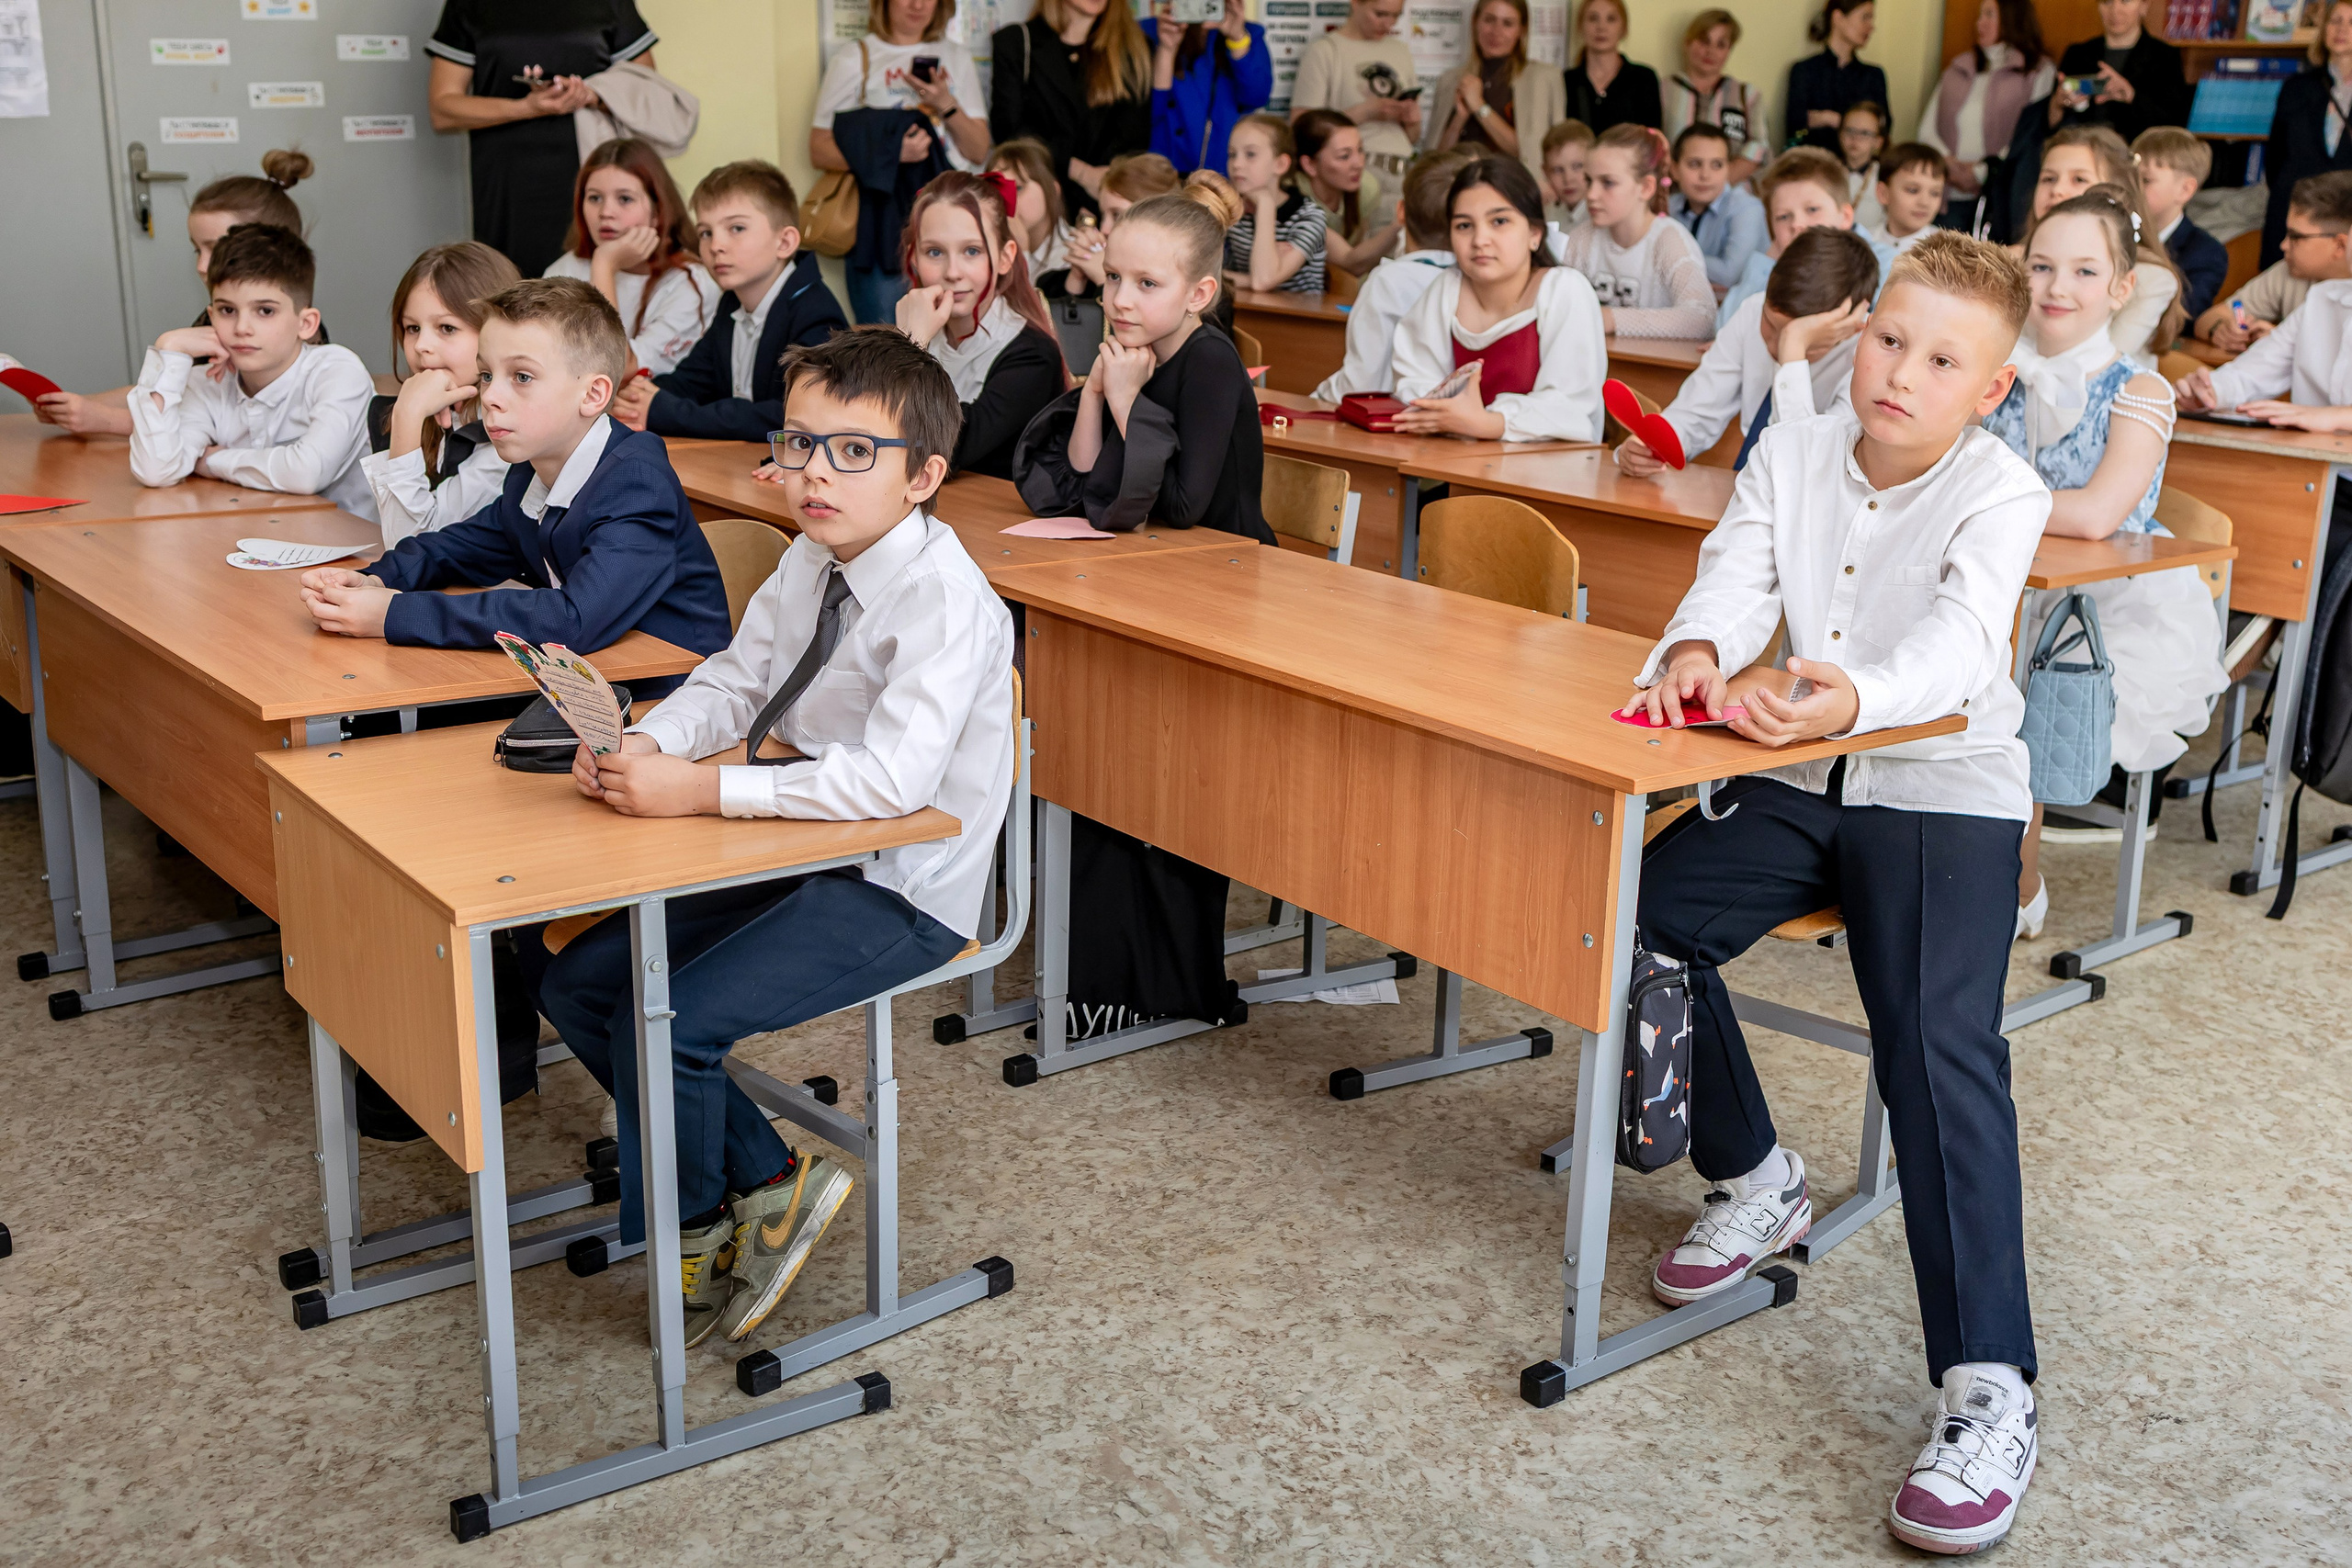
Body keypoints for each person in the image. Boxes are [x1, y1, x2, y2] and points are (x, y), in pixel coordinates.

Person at [1623, 230, 2050, 1559]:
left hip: (1942, 779)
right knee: (1637, 914)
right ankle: (1758, 1171)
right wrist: (1698, 643)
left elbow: (1960, 650)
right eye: (1889, 341)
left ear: (1988, 390)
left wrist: (1844, 694)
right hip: (1809, 764)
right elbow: (1736, 571)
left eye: (1941, 360)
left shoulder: (2006, 489)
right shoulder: (1800, 441)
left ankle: (1991, 1386)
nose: (1900, 374)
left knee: (1935, 1043)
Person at [547, 326, 1014, 1348]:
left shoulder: (943, 602)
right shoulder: (814, 554)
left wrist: (699, 794)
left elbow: (894, 785)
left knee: (672, 1022)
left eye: (853, 451)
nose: (813, 473)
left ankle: (696, 1225)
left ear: (925, 476)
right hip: (794, 842)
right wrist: (647, 740)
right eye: (799, 443)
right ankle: (759, 1183)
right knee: (580, 983)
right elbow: (736, 678)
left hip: (901, 885)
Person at [1012, 175, 1276, 1040]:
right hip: (1150, 586)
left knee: (1161, 777)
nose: (1121, 299)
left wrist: (1126, 397)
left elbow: (1190, 503)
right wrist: (1096, 391)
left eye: (1146, 285)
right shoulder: (1134, 349)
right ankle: (1100, 975)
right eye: (1115, 279)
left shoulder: (1208, 358)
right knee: (1100, 755)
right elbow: (1087, 483)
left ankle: (1158, 980)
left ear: (1199, 293)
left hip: (1223, 595)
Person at [300, 277, 729, 672]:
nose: (491, 396)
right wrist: (377, 579)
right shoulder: (532, 469)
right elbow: (462, 547)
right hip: (591, 682)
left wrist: (394, 614)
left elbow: (571, 620)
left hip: (666, 699)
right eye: (487, 375)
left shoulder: (635, 483)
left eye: (521, 377)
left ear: (593, 394)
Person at [1993, 187, 2219, 901]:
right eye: (2041, 266)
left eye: (2086, 271)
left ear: (2123, 287)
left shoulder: (2141, 389)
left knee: (2016, 698)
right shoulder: (1996, 374)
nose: (2059, 287)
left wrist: (1978, 505)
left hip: (2102, 601)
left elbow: (2097, 515)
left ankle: (2017, 882)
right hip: (2002, 575)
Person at [33, 149, 324, 437]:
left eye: (218, 248)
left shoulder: (285, 338)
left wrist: (104, 420)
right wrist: (72, 404)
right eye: (198, 249)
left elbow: (230, 428)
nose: (201, 265)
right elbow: (176, 389)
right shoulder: (221, 317)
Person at [127, 223, 376, 521]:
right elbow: (156, 469)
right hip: (257, 539)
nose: (242, 328)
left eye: (265, 311)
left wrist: (214, 461)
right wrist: (169, 351)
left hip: (354, 553)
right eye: (227, 311)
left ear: (306, 323)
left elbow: (306, 473)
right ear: (211, 317)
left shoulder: (337, 370)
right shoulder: (206, 381)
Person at [424, 1, 659, 279]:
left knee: (595, 292)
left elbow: (648, 93)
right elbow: (443, 110)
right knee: (512, 291)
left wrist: (592, 95)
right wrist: (526, 107)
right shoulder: (468, 6)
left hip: (592, 178)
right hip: (508, 187)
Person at [1616, 225, 1875, 476]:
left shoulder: (1867, 358)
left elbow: (1801, 463)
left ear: (1849, 327)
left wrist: (1793, 351)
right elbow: (1697, 411)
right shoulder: (1752, 310)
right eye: (1770, 324)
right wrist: (1647, 448)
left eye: (1799, 337)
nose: (1774, 346)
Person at [622, 162, 848, 443]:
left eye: (736, 228)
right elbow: (691, 381)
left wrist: (667, 411)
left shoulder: (815, 311)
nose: (716, 245)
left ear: (785, 242)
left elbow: (795, 415)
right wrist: (637, 398)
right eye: (705, 232)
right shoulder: (731, 303)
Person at [1389, 156, 1606, 441]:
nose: (1480, 240)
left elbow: (1571, 406)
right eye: (1464, 226)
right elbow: (1414, 379)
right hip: (1454, 462)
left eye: (1499, 221)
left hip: (1546, 471)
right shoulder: (1447, 288)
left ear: (1534, 234)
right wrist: (1448, 413)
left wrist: (1490, 422)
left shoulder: (1564, 290)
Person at [810, 0, 993, 324]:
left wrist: (944, 103)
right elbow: (819, 148)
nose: (918, 4)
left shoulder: (956, 57)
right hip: (882, 228)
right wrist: (891, 154)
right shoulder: (857, 58)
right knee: (889, 343)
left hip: (949, 220)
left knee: (955, 338)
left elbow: (979, 151)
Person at [896, 171, 1069, 479]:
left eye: (971, 251)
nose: (952, 272)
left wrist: (910, 346)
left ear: (1005, 258)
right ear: (914, 260)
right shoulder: (920, 329)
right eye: (934, 252)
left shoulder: (1033, 353)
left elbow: (946, 451)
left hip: (999, 521)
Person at [363, 242, 523, 547]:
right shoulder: (418, 409)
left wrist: (407, 418)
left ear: (495, 332)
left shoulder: (507, 428)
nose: (422, 345)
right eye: (412, 328)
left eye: (446, 328)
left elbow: (410, 546)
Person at [543, 138, 720, 377]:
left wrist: (605, 265)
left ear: (657, 211)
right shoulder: (563, 270)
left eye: (625, 199)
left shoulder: (691, 282)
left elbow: (619, 369)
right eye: (595, 198)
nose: (606, 213)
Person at [1313, 147, 1476, 399]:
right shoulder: (1479, 280)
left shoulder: (1389, 282)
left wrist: (1317, 397)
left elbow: (1362, 384)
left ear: (1401, 212)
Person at [2023, 124, 2184, 363]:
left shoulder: (2150, 279)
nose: (2057, 190)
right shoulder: (2012, 259)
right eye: (2048, 178)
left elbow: (2098, 368)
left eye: (2079, 179)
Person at [989, 0, 1153, 220]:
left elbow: (1135, 141)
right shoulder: (1016, 43)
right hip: (1039, 212)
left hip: (1108, 210)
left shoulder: (1136, 48)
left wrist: (1106, 184)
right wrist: (1080, 172)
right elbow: (1009, 134)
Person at [1559, 124, 1717, 338]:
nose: (1592, 194)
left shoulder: (1668, 241)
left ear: (1646, 188)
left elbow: (1702, 317)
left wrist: (1609, 319)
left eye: (1608, 182)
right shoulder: (1582, 238)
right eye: (1589, 181)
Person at [1716, 145, 1896, 324]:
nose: (1797, 225)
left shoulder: (1888, 266)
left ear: (1846, 217)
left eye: (1812, 210)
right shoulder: (1777, 265)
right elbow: (1725, 328)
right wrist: (1769, 260)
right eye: (1783, 217)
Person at [1919, 0, 2056, 234]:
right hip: (1947, 193)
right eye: (1979, 16)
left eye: (1989, 15)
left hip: (1999, 196)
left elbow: (2031, 133)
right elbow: (1927, 129)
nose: (1979, 23)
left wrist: (1982, 172)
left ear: (2011, 18)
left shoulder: (2038, 70)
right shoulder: (1958, 68)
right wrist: (1948, 164)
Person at [2193, 169, 2352, 352]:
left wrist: (2284, 343)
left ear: (2340, 245)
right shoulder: (2291, 271)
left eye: (2296, 237)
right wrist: (2220, 329)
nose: (2283, 245)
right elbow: (2210, 318)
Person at [1425, 0, 1567, 187]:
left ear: (1521, 30)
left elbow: (1526, 152)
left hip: (1515, 190)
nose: (1496, 31)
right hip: (1459, 189)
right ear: (1475, 22)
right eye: (1489, 20)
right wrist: (1459, 118)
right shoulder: (1450, 80)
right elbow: (1437, 162)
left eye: (1507, 23)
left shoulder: (1544, 78)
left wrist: (1480, 107)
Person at [2259, 0, 2352, 267]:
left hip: (2345, 216)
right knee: (2279, 293)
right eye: (2335, 21)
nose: (2341, 29)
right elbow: (2275, 157)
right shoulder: (2297, 87)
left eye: (2351, 22)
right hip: (2293, 209)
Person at [1289, 0, 1423, 183]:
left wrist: (1412, 121)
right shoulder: (1325, 50)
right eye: (1380, 14)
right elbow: (1301, 129)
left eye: (1396, 15)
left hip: (1404, 170)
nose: (1389, 24)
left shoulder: (1400, 51)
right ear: (1355, 4)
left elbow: (1412, 138)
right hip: (1357, 170)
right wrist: (1365, 112)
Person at [1143, 0, 1270, 178]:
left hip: (1221, 172)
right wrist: (1166, 50)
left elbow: (1256, 97)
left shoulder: (1249, 33)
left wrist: (1237, 39)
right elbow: (1144, 113)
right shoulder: (1147, 32)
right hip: (1161, 171)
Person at [2047, 0, 2189, 147]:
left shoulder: (2164, 56)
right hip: (2080, 150)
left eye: (2125, 1)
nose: (2115, 10)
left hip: (2139, 156)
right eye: (2107, 2)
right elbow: (2049, 125)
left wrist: (2131, 95)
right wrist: (2058, 103)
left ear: (2144, 6)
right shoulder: (2077, 54)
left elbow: (2175, 124)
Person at [1223, 113, 1328, 293]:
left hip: (1298, 317)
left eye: (1250, 154)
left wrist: (1265, 204)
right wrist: (1249, 279)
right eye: (1232, 154)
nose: (1237, 164)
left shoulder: (1310, 217)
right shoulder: (1231, 210)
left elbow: (1263, 281)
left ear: (1280, 164)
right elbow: (1202, 274)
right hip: (1246, 311)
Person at [1663, 10, 1769, 187]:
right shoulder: (1663, 90)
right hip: (1676, 196)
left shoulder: (1747, 95)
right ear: (1688, 42)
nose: (1710, 51)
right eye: (1704, 41)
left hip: (1733, 197)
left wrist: (1718, 183)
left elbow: (1759, 147)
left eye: (1721, 45)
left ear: (1729, 50)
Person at [1059, 151, 1184, 299]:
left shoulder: (1177, 280)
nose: (1104, 229)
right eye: (1102, 216)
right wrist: (1077, 278)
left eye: (1117, 215)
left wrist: (1105, 281)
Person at [2134, 128, 2228, 321]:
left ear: (2185, 190)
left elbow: (2182, 317)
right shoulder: (2113, 232)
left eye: (2145, 180)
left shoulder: (2206, 253)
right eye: (2130, 178)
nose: (2133, 188)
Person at [1295, 110, 1401, 278]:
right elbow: (1351, 262)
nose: (1358, 164)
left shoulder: (1366, 188)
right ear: (1309, 165)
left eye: (1360, 150)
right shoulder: (1293, 196)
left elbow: (1358, 249)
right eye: (1344, 156)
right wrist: (1400, 223)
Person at [1668, 123, 1766, 292]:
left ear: (1728, 169)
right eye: (1694, 164)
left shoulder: (1747, 208)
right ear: (1675, 170)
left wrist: (1672, 255)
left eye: (1717, 165)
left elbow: (1729, 275)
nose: (1705, 175)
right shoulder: (1670, 206)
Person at [1784, 0, 1885, 155]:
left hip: (1858, 167)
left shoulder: (1874, 75)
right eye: (1865, 17)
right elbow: (1795, 126)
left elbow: (1882, 129)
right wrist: (1833, 119)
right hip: (1811, 163)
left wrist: (1822, 118)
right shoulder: (1805, 70)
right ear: (1838, 17)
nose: (1871, 26)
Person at [989, 138, 1077, 292]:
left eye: (1018, 188)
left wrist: (1021, 255)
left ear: (1053, 190)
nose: (1005, 201)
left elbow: (1034, 314)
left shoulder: (1073, 256)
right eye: (996, 191)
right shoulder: (987, 249)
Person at [1564, 0, 1660, 137]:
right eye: (1593, 18)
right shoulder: (1567, 81)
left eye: (1611, 19)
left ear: (1624, 28)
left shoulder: (1643, 79)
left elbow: (1653, 139)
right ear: (1580, 26)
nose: (1601, 27)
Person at [1873, 141, 1950, 255]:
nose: (1924, 202)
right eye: (1913, 190)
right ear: (1883, 193)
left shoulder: (1949, 250)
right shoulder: (1863, 243)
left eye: (1935, 193)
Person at [1840, 99, 1890, 231]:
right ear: (1840, 135)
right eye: (1849, 130)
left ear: (1878, 142)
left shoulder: (1884, 174)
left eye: (1864, 133)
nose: (1855, 138)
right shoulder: (1828, 171)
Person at [1541, 118, 1595, 228]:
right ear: (1545, 172)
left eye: (1577, 166)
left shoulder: (1603, 218)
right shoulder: (1548, 215)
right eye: (1557, 170)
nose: (1568, 179)